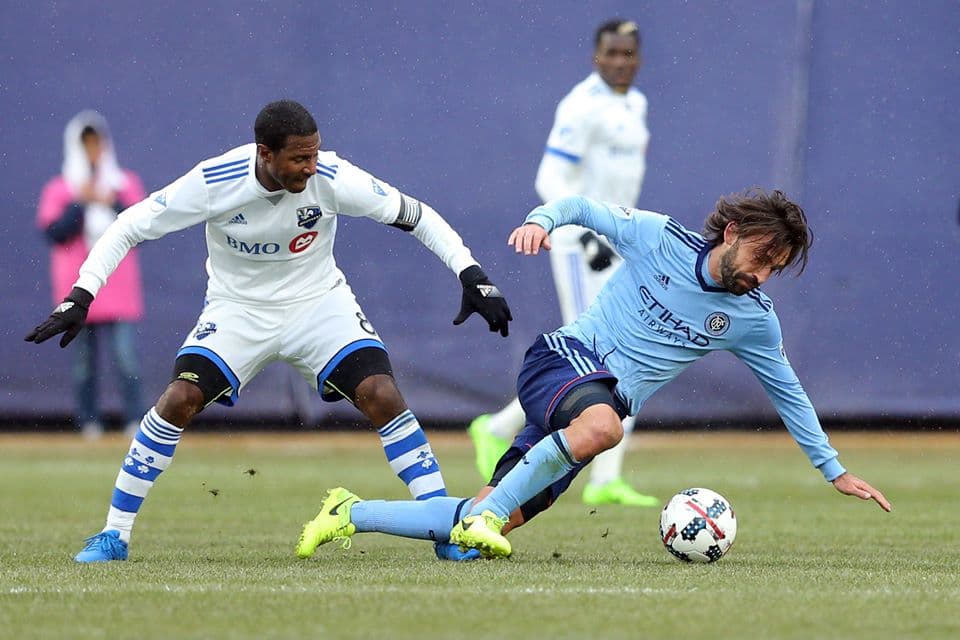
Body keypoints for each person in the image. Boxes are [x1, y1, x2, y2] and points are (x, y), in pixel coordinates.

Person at [25, 99, 512, 563]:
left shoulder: (333, 177)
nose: (311, 167)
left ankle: (445, 529)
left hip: (319, 304)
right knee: (177, 401)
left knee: (382, 394)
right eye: (300, 158)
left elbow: (417, 215)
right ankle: (114, 534)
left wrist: (472, 274)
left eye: (315, 154)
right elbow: (129, 224)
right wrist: (82, 293)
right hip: (238, 312)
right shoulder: (215, 181)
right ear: (265, 153)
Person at [296, 190, 891, 561]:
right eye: (762, 257)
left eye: (775, 270)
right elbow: (581, 207)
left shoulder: (752, 320)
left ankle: (350, 512)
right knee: (604, 428)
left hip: (585, 414)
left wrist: (832, 468)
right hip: (562, 361)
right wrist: (541, 220)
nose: (763, 275)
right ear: (732, 233)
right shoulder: (659, 237)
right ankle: (489, 515)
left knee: (461, 548)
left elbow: (787, 391)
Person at [468, 19, 657, 507]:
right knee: (594, 356)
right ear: (597, 56)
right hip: (581, 247)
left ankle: (502, 428)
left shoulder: (634, 105)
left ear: (638, 57)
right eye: (611, 53)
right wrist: (585, 232)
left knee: (617, 354)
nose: (620, 61)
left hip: (619, 242)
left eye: (628, 53)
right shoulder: (581, 106)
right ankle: (593, 473)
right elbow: (550, 176)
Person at [36, 111, 147, 440]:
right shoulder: (60, 189)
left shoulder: (124, 184)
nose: (92, 151)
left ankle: (136, 419)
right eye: (85, 145)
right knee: (83, 363)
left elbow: (141, 226)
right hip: (77, 289)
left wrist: (109, 200)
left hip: (118, 288)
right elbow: (55, 232)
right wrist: (81, 202)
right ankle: (88, 423)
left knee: (127, 359)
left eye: (96, 143)